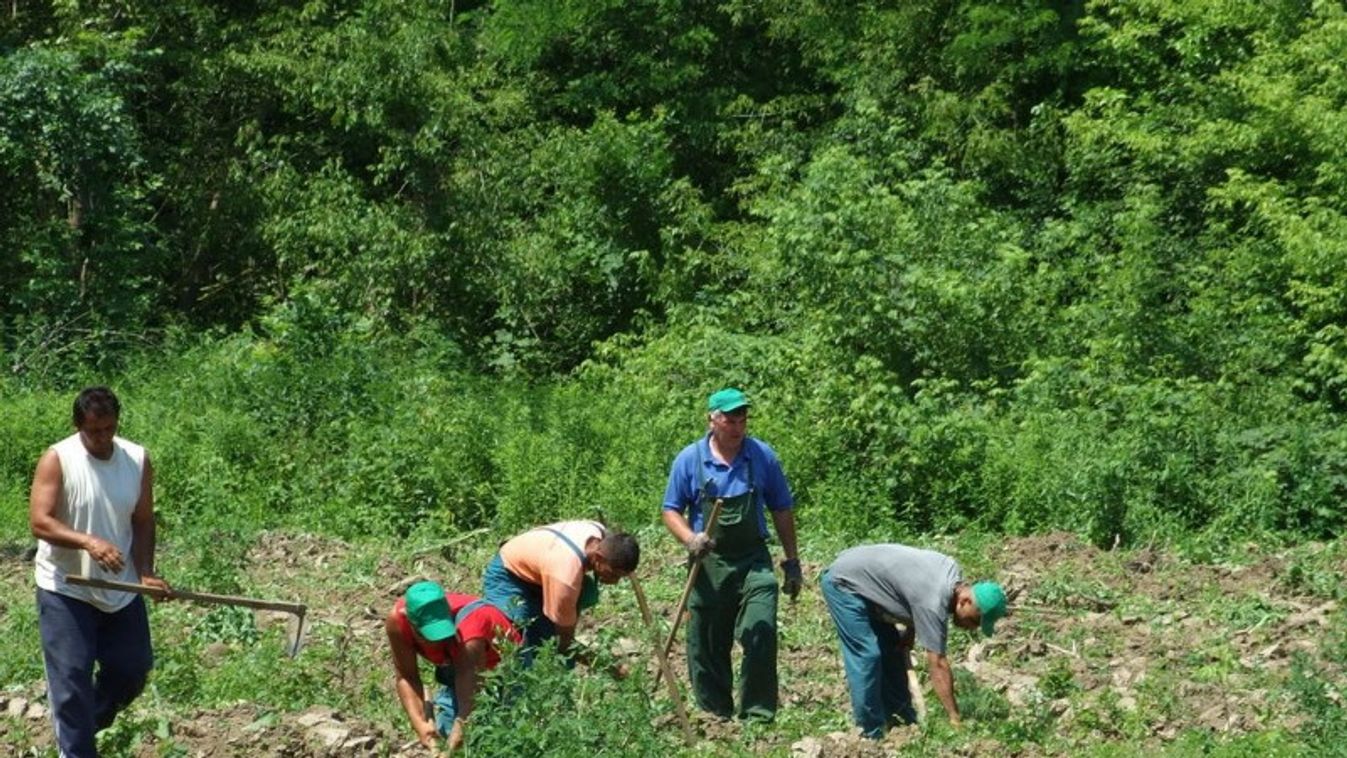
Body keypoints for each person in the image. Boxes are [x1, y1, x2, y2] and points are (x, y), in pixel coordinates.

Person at [29, 386, 170, 758]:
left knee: (132, 671)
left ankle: (82, 728)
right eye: (95, 431)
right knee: (71, 680)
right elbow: (40, 522)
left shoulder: (136, 459)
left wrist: (145, 571)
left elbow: (142, 521)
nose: (104, 438)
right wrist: (88, 542)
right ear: (79, 427)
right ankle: (76, 749)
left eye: (109, 428)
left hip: (120, 589)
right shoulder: (59, 458)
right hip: (66, 587)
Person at [661, 387, 801, 721]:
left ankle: (757, 713)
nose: (737, 427)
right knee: (707, 641)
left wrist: (792, 561)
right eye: (729, 419)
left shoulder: (762, 456)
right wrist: (690, 539)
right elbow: (670, 510)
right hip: (708, 564)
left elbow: (782, 509)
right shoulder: (690, 460)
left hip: (753, 560)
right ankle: (715, 713)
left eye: (742, 419)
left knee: (761, 629)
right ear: (712, 419)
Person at [820, 543, 1008, 737]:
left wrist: (910, 631)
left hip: (870, 586)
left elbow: (912, 587)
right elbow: (938, 664)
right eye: (974, 621)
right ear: (964, 601)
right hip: (844, 583)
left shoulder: (951, 570)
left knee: (892, 651)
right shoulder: (934, 602)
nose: (972, 627)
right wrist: (954, 718)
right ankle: (869, 734)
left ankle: (901, 723)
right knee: (867, 655)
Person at [385, 580, 522, 753]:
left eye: (442, 632)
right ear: (408, 619)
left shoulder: (471, 627)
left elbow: (469, 703)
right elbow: (406, 676)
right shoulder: (397, 621)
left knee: (505, 736)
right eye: (426, 635)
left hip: (508, 669)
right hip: (459, 666)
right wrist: (421, 726)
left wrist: (451, 748)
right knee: (446, 729)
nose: (435, 641)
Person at [482, 520, 639, 660]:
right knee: (519, 641)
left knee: (586, 592)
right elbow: (565, 643)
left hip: (538, 571)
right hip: (507, 576)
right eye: (613, 574)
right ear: (598, 558)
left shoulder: (597, 530)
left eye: (621, 577)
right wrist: (606, 665)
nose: (615, 582)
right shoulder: (566, 576)